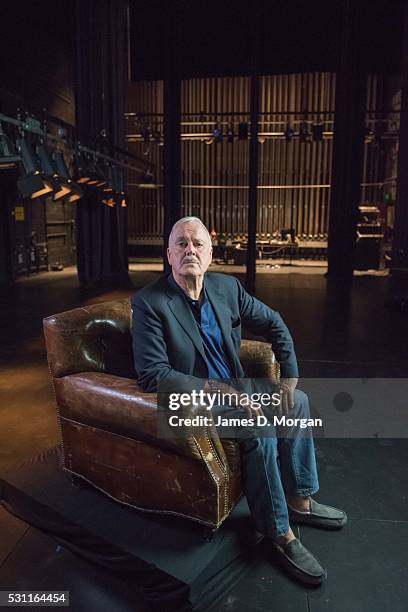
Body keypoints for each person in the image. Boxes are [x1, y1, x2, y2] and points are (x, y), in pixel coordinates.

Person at [131, 216, 346, 586]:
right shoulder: (151, 303)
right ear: (168, 254)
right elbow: (154, 375)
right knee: (258, 426)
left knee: (298, 403)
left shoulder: (227, 288)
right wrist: (217, 390)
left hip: (237, 389)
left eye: (197, 244)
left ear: (211, 253)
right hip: (196, 399)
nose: (189, 250)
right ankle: (278, 532)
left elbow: (275, 322)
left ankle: (299, 500)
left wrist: (289, 375)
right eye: (181, 244)